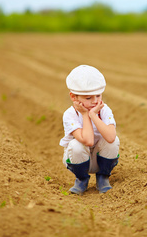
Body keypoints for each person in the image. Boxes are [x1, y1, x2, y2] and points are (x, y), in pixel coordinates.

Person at [60, 65, 120, 195]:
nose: (95, 101)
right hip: (79, 159)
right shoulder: (70, 114)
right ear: (73, 97)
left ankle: (103, 177)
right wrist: (85, 115)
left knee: (114, 141)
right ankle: (81, 179)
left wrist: (93, 115)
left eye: (98, 96)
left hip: (100, 158)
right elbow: (88, 141)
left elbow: (110, 137)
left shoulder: (104, 110)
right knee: (76, 144)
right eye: (88, 98)